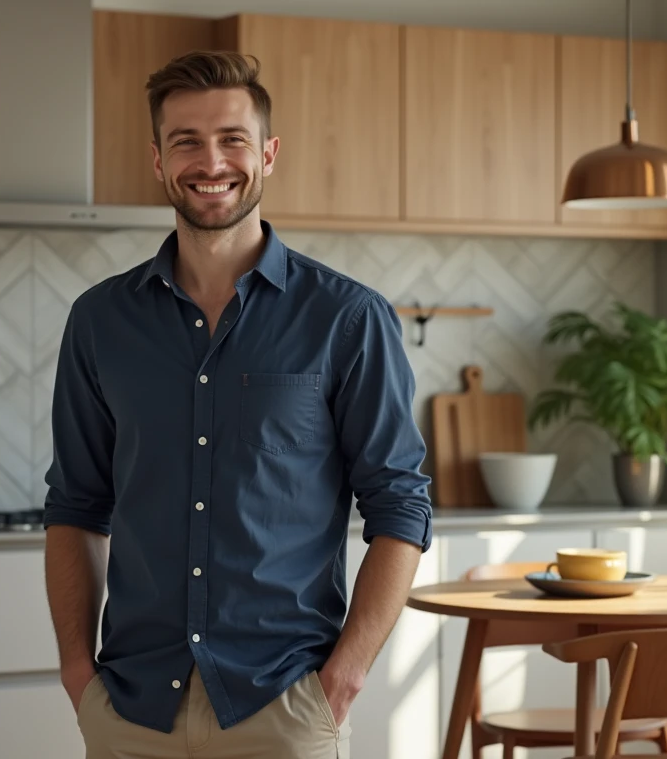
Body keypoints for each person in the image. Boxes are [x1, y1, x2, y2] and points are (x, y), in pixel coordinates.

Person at [42, 49, 433, 759]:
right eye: (185, 140)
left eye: (232, 140)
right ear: (158, 159)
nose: (210, 161)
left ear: (268, 154)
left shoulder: (347, 319)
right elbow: (75, 505)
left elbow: (401, 505)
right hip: (132, 711)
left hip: (281, 706)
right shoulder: (100, 321)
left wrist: (341, 680)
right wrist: (78, 672)